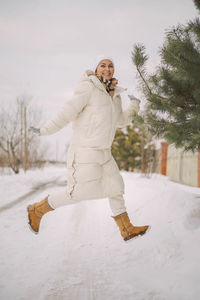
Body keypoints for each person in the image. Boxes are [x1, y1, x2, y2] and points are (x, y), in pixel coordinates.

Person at [28, 55, 149, 241]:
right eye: (103, 65)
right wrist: (44, 130)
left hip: (104, 153)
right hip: (85, 151)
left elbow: (120, 121)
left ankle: (127, 229)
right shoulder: (88, 88)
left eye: (110, 66)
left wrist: (134, 104)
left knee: (115, 187)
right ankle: (37, 210)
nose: (107, 68)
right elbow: (67, 112)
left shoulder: (114, 95)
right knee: (77, 194)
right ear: (96, 69)